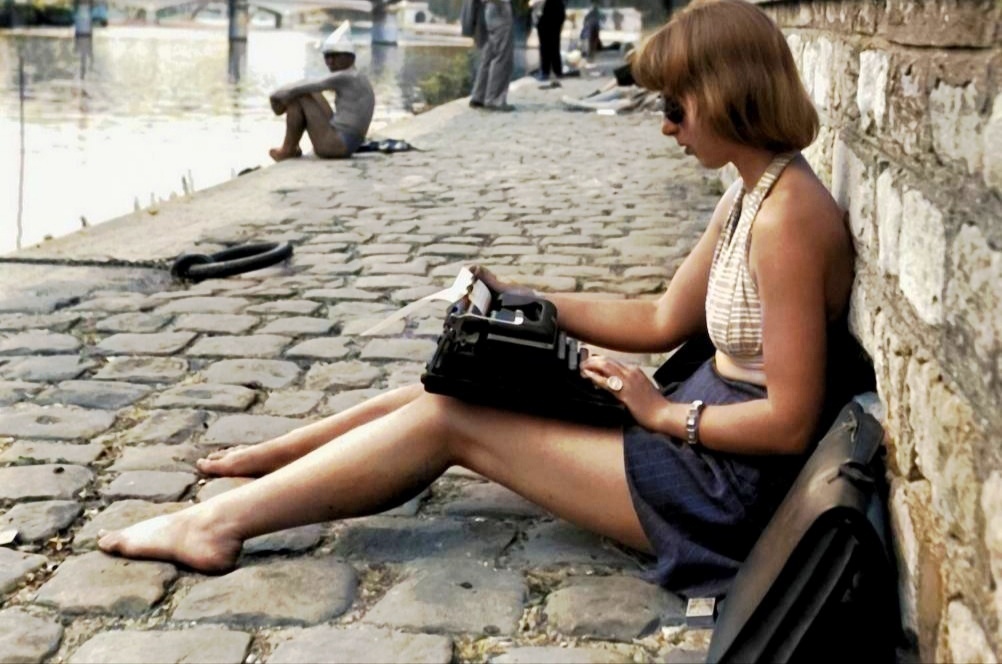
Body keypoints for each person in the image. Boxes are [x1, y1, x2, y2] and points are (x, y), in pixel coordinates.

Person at [99, 0, 853, 599]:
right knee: (464, 380)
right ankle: (277, 461)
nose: (665, 126)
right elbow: (660, 318)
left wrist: (659, 414)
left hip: (720, 490)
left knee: (450, 420)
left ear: (724, 97)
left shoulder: (788, 220)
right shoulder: (752, 192)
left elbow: (790, 423)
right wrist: (523, 296)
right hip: (702, 439)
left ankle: (217, 524)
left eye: (675, 108)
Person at [267, 22, 375, 162]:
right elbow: (310, 85)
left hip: (336, 145)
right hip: (346, 142)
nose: (330, 62)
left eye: (334, 56)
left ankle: (288, 150)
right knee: (309, 93)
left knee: (301, 96)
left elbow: (312, 84)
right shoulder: (357, 76)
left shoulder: (347, 76)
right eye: (327, 57)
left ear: (350, 57)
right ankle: (290, 148)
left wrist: (276, 96)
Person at [469, 0, 515, 112]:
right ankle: (495, 99)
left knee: (489, 54)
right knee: (502, 56)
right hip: (500, 7)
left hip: (490, 8)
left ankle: (479, 96)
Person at [535, 0, 566, 83]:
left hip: (547, 11)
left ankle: (546, 71)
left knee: (546, 44)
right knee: (553, 42)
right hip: (555, 10)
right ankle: (556, 70)